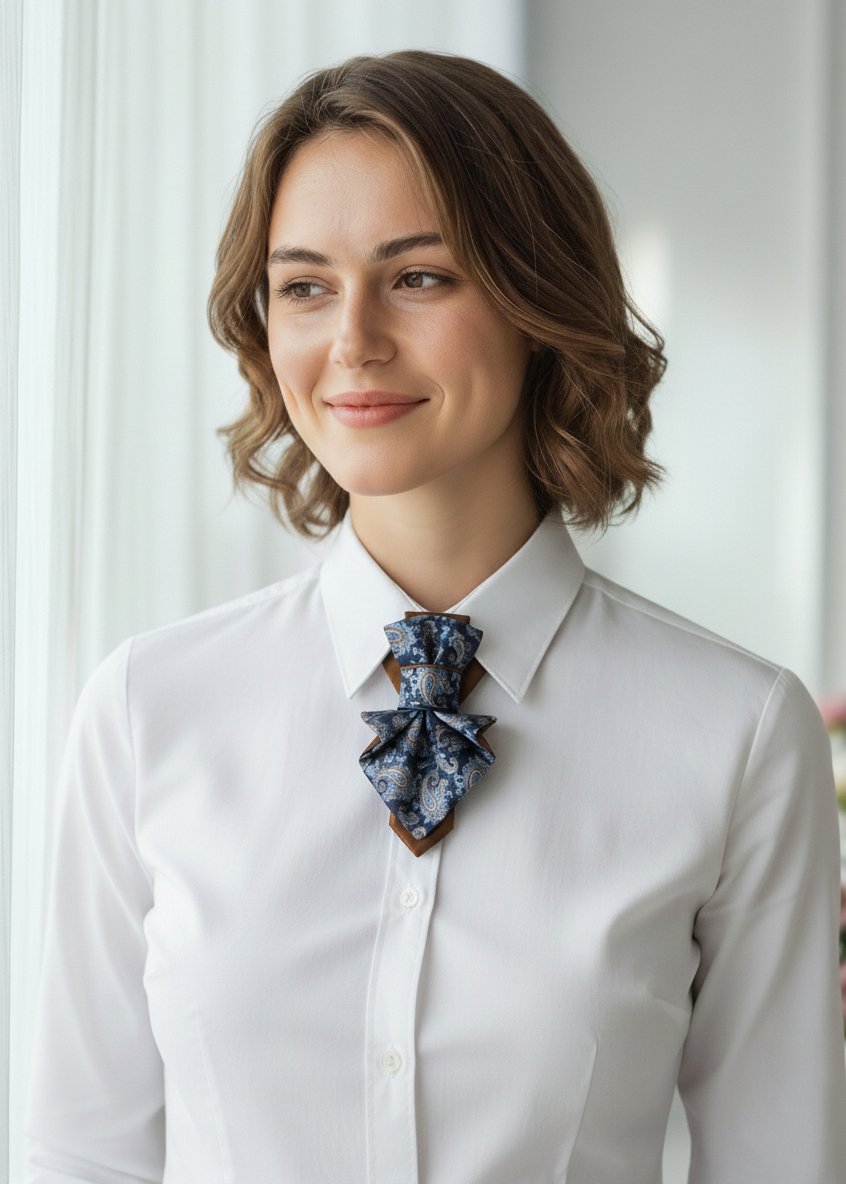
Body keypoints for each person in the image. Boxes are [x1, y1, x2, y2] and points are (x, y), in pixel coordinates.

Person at [25, 51, 846, 1184]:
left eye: (418, 277)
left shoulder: (737, 733)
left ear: (538, 299)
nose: (353, 340)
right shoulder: (146, 709)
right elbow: (78, 1155)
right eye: (305, 286)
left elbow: (779, 1162)